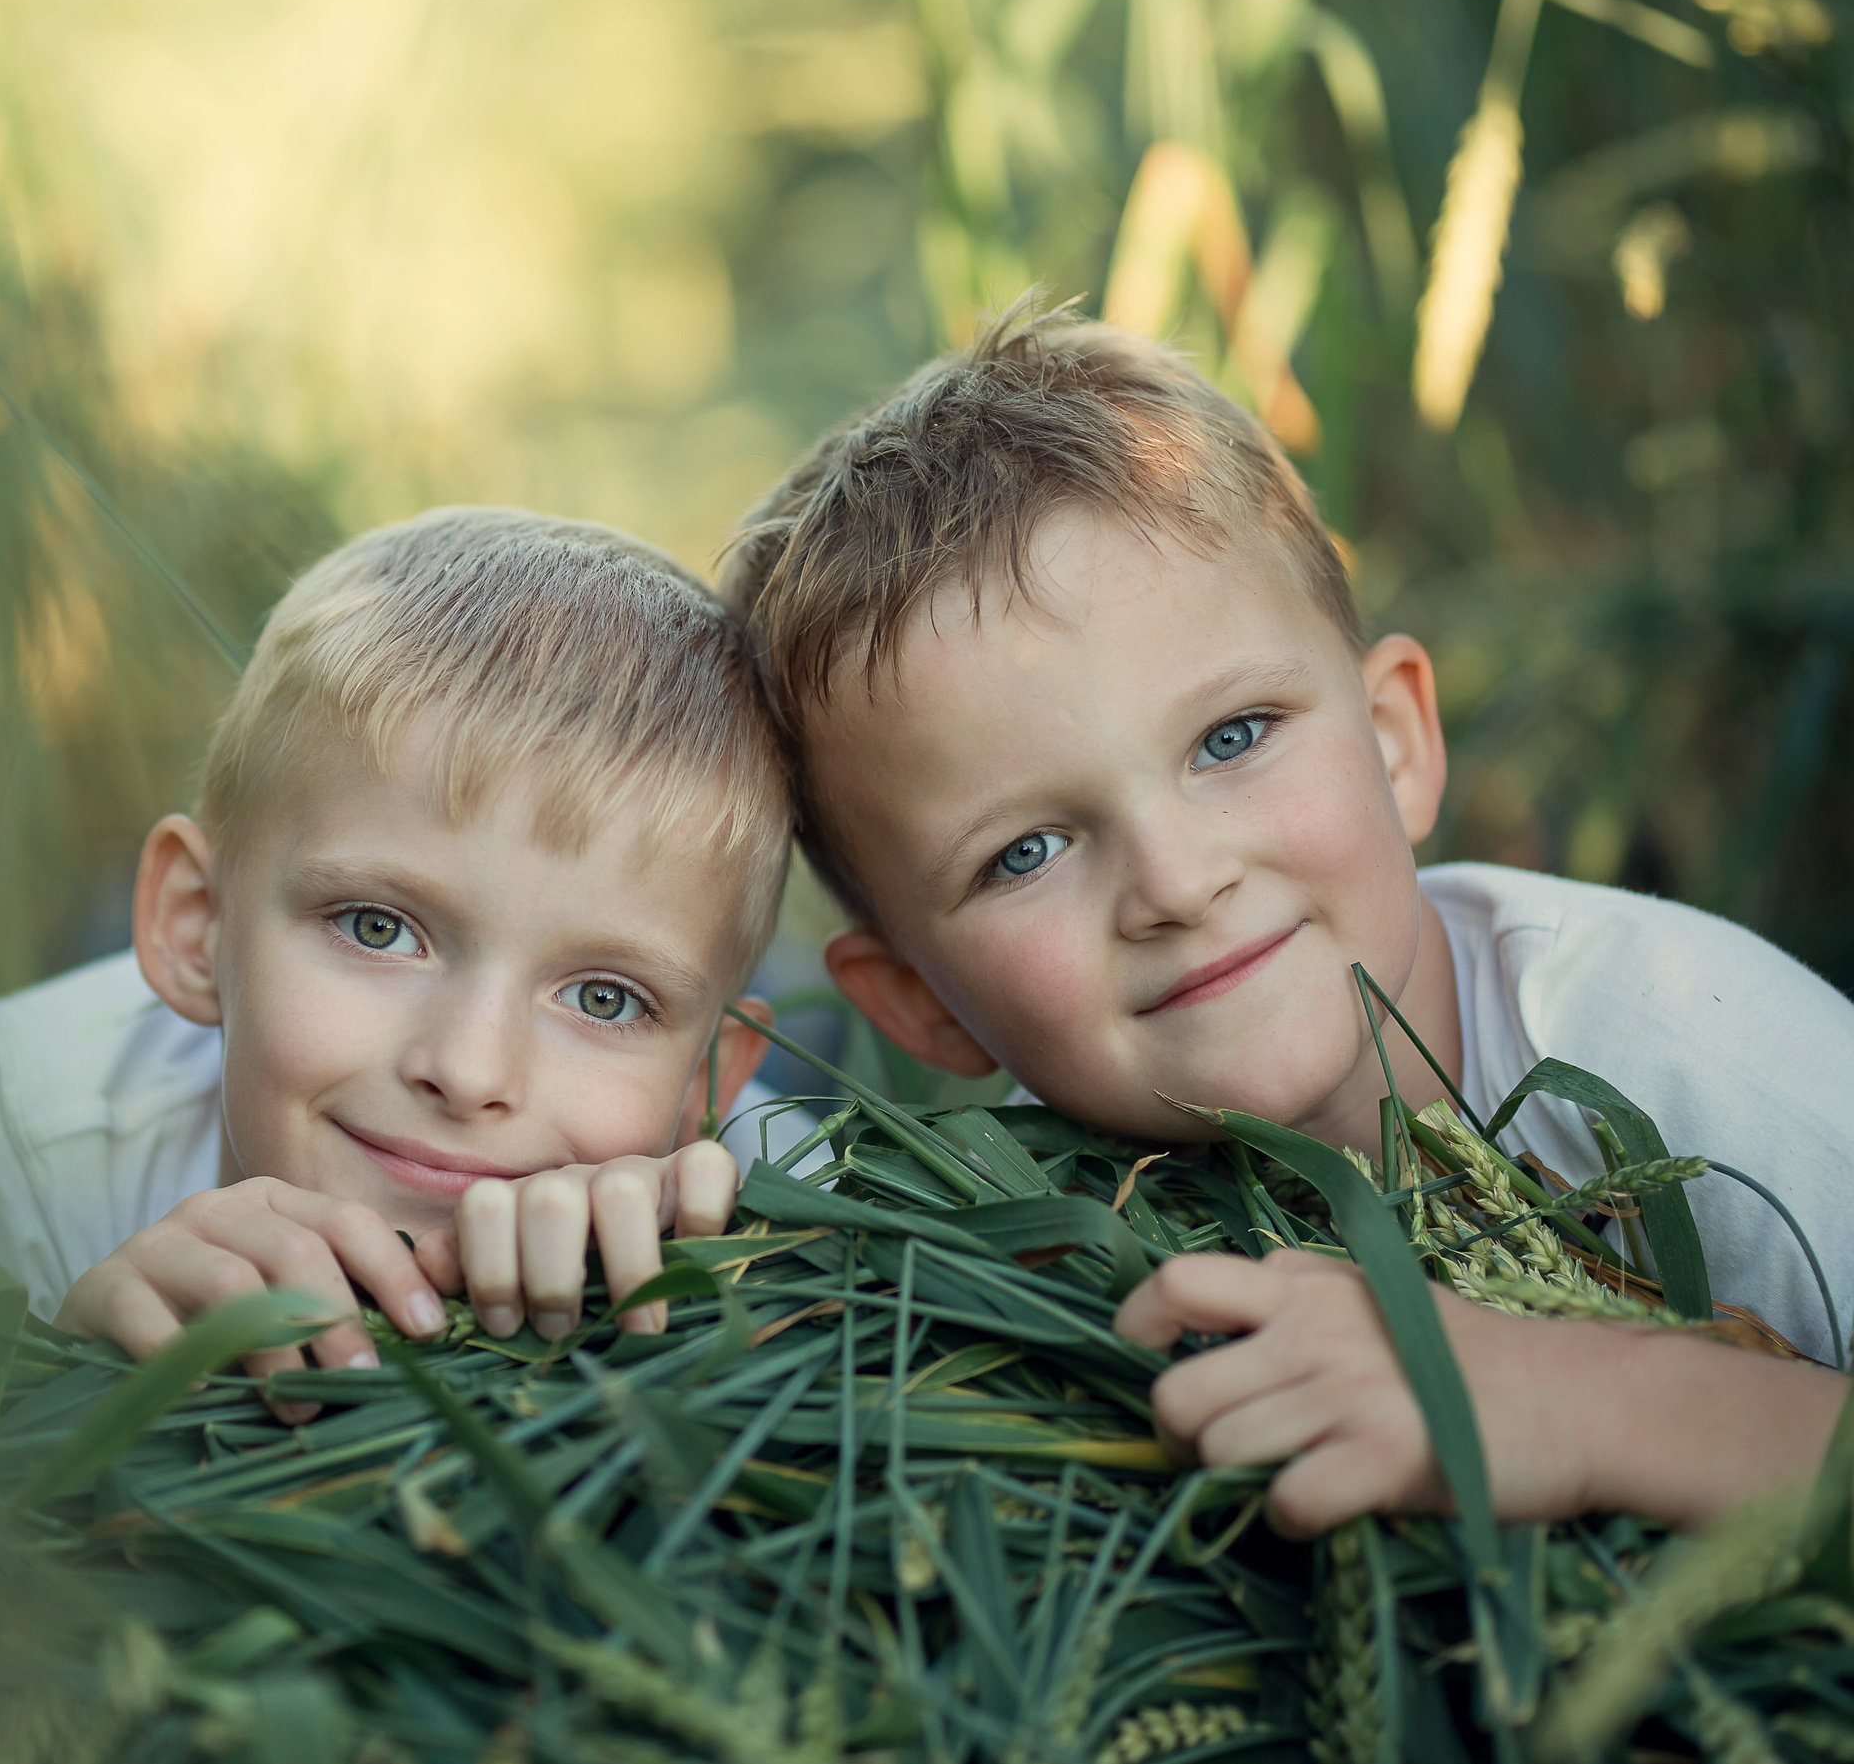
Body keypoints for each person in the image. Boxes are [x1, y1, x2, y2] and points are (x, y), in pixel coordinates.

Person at [720, 298, 1854, 1534]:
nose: (1177, 880)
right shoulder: (1031, 1203)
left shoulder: (1677, 1041)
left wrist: (1581, 1397)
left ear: (1397, 742)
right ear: (917, 1002)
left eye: (1231, 737)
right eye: (1026, 851)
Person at [0, 507, 802, 1416]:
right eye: (378, 927)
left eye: (605, 998)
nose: (467, 1069)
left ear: (709, 1082)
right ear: (195, 924)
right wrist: (54, 1381)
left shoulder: (791, 1211)